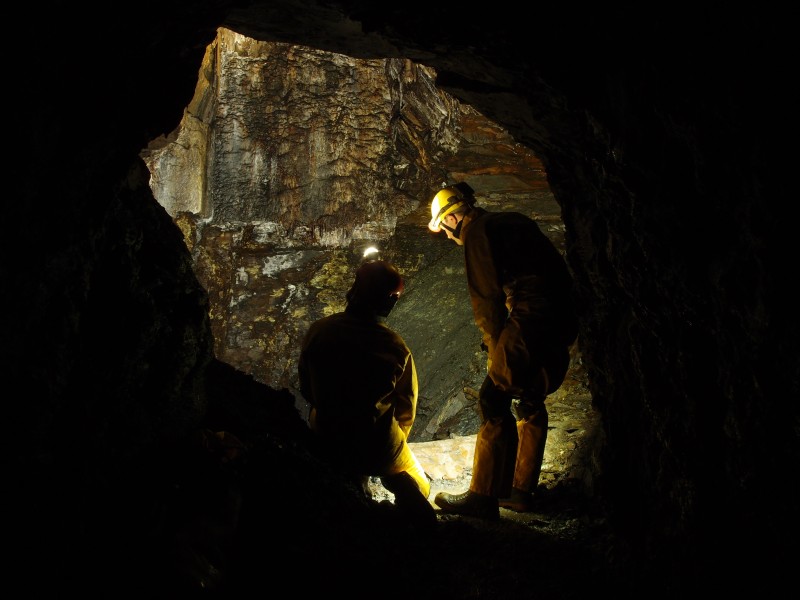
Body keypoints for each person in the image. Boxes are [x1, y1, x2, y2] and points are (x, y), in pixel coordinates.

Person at [427, 182, 578, 520]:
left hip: (529, 317)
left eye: (445, 229)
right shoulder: (513, 220)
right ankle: (520, 490)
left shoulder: (478, 232)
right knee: (530, 397)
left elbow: (486, 300)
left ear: (451, 219)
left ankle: (483, 497)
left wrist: (496, 347)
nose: (449, 237)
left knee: (492, 397)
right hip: (561, 317)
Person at [298, 260, 435, 527]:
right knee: (421, 485)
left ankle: (354, 482)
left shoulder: (319, 331)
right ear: (388, 300)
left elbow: (306, 387)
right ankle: (399, 494)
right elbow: (406, 405)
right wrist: (394, 442)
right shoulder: (393, 345)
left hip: (328, 437)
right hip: (376, 443)